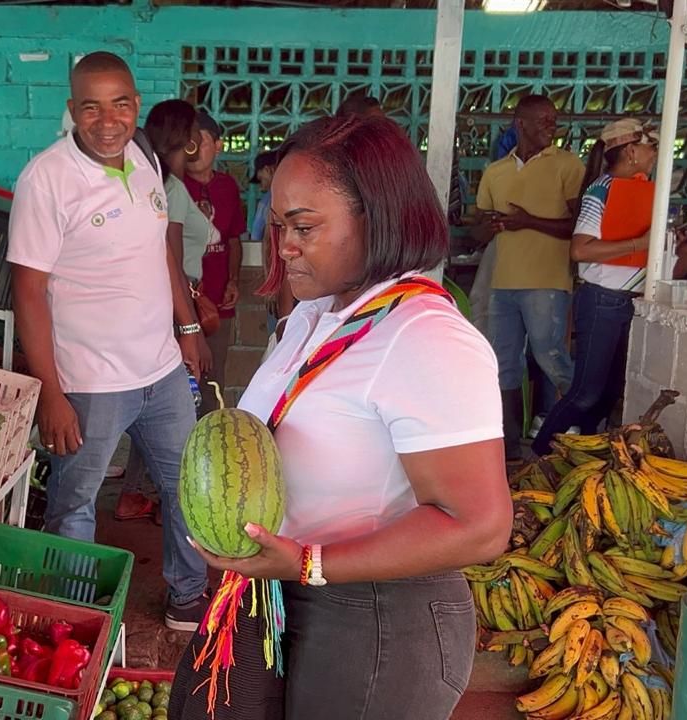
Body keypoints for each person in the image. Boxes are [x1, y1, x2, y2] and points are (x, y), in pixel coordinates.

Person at [169, 114, 512, 720]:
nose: (285, 246)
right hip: (294, 597)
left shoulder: (426, 339)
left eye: (304, 226)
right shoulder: (317, 316)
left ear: (376, 221)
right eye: (278, 226)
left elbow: (480, 526)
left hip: (379, 620)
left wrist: (308, 562)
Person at [7, 51, 209, 630]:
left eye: (119, 104)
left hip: (162, 371)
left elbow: (161, 254)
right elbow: (28, 292)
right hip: (90, 382)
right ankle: (72, 618)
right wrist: (51, 391)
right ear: (72, 111)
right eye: (90, 107)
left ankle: (187, 595)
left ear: (135, 106)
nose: (106, 119)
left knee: (188, 489)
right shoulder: (47, 178)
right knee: (74, 503)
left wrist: (188, 326)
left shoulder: (143, 160)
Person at [116, 99, 218, 524]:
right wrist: (187, 326)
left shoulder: (158, 180)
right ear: (188, 139)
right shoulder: (166, 187)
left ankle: (149, 494)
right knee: (175, 413)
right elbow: (170, 257)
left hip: (163, 312)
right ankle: (155, 496)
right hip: (173, 313)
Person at [531, 119, 658, 454]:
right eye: (650, 147)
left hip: (625, 301)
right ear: (631, 151)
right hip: (602, 300)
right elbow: (581, 249)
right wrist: (639, 244)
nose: (655, 154)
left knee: (610, 391)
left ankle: (584, 453)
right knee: (586, 391)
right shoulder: (601, 192)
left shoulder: (641, 192)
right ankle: (540, 454)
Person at [476, 94, 584, 461]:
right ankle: (509, 449)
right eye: (543, 120)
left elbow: (577, 228)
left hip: (548, 280)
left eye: (554, 120)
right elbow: (479, 230)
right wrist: (489, 226)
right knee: (502, 363)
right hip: (502, 282)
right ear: (520, 123)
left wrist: (528, 222)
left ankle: (586, 432)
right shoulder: (496, 172)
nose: (551, 126)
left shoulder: (569, 166)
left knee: (551, 355)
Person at [185, 109, 245, 414]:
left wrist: (233, 280)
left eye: (200, 140)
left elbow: (234, 239)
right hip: (181, 306)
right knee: (178, 384)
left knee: (212, 381)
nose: (192, 147)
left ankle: (207, 451)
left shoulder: (228, 187)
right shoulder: (173, 187)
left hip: (217, 306)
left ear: (218, 145)